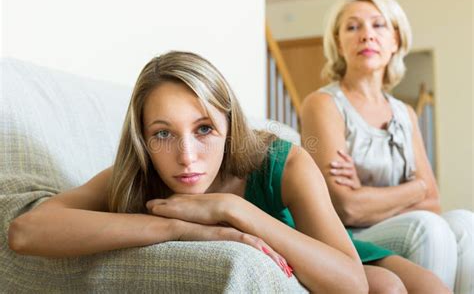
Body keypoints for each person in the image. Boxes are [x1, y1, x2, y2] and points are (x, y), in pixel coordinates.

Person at [8, 51, 448, 293]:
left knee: (422, 285)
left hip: (316, 238)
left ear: (230, 125)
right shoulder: (140, 175)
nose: (186, 156)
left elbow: (349, 279)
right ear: (143, 138)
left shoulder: (285, 161)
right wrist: (175, 227)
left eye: (204, 129)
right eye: (163, 134)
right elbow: (26, 233)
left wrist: (233, 209)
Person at [300, 0, 473, 294]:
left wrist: (368, 196)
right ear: (339, 44)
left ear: (395, 40)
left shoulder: (405, 113)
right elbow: (345, 208)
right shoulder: (322, 104)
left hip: (395, 223)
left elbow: (433, 200)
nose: (366, 35)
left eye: (378, 25)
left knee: (465, 223)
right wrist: (414, 189)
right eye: (353, 27)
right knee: (427, 227)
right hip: (346, 235)